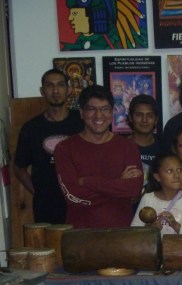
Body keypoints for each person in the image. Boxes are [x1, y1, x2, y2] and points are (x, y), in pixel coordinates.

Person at [54, 85, 143, 228]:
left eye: (104, 109)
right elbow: (73, 197)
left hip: (121, 235)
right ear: (82, 113)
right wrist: (119, 184)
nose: (98, 115)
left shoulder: (129, 147)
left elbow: (134, 190)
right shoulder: (64, 149)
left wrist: (89, 182)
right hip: (80, 235)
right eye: (91, 109)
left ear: (112, 112)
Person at [13, 69, 83, 224]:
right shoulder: (31, 128)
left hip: (81, 203)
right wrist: (38, 193)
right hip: (46, 207)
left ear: (69, 90)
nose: (55, 91)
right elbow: (19, 168)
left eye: (60, 85)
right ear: (42, 91)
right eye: (49, 85)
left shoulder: (82, 123)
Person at [131, 153, 182, 235]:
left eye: (179, 170)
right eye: (170, 171)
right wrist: (150, 229)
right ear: (157, 177)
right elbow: (133, 233)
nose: (177, 175)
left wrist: (175, 225)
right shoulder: (148, 199)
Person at [127, 94, 162, 190]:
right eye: (139, 115)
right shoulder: (120, 147)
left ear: (156, 119)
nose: (144, 120)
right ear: (130, 117)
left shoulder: (164, 149)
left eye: (149, 116)